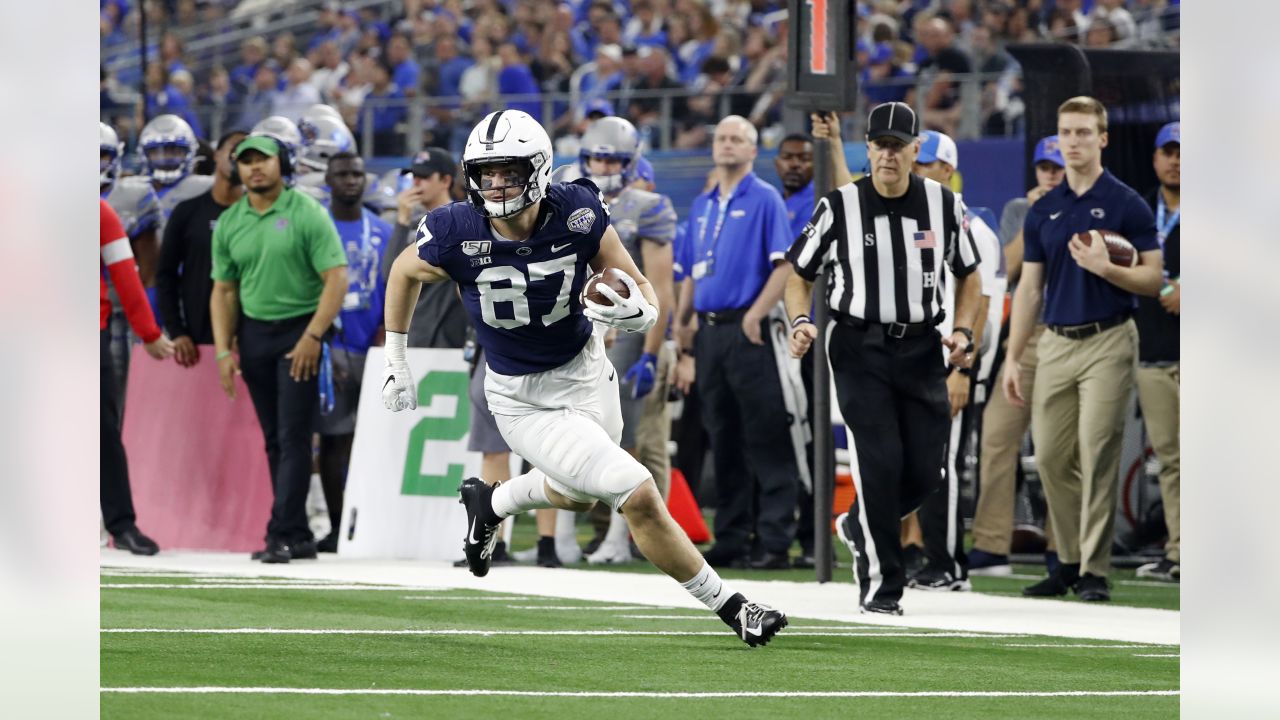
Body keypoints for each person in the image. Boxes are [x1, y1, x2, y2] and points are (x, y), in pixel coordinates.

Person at [382, 110, 786, 646]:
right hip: (521, 396)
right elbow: (404, 271)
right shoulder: (455, 228)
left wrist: (639, 312)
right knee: (635, 492)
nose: (497, 184)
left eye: (509, 170)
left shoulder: (576, 209)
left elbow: (637, 282)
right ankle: (734, 606)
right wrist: (396, 358)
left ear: (540, 169)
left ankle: (493, 504)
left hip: (587, 370)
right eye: (487, 172)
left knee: (577, 495)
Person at [786, 102, 983, 615]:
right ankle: (881, 587)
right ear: (868, 148)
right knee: (879, 463)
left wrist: (963, 329)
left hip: (921, 346)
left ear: (917, 150)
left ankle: (857, 524)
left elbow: (970, 275)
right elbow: (799, 273)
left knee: (927, 472)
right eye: (881, 145)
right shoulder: (839, 205)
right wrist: (802, 321)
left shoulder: (943, 204)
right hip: (858, 346)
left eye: (899, 145)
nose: (889, 154)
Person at [1004, 96, 1163, 602]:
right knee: (1049, 456)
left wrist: (1109, 268)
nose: (1073, 142)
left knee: (1098, 452)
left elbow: (1154, 277)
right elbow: (1029, 289)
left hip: (1109, 338)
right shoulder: (1044, 209)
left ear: (1103, 139)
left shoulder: (1126, 202)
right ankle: (1066, 560)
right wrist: (1013, 355)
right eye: (1066, 133)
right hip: (1053, 342)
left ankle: (1093, 569)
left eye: (1082, 133)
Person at [378, 148, 522, 567]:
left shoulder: (469, 220)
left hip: (482, 342)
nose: (415, 185)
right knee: (489, 444)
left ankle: (520, 536)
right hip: (461, 346)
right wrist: (402, 224)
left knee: (516, 447)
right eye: (413, 177)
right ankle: (491, 531)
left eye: (424, 176)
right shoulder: (427, 226)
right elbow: (394, 274)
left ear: (446, 179)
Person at [210, 135, 349, 564]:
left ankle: (279, 533)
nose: (255, 168)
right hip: (254, 335)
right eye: (246, 161)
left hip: (299, 331)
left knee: (291, 436)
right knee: (275, 439)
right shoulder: (231, 221)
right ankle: (300, 532)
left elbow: (337, 277)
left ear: (281, 164)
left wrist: (312, 336)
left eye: (263, 160)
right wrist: (221, 351)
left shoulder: (306, 212)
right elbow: (224, 291)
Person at [673, 115, 801, 571]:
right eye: (721, 138)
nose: (727, 145)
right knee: (722, 436)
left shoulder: (764, 198)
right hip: (708, 331)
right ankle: (730, 536)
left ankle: (774, 538)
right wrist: (681, 325)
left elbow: (785, 265)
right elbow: (690, 271)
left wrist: (756, 313)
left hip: (747, 331)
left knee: (764, 434)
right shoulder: (704, 203)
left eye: (737, 139)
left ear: (752, 150)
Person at [575, 116, 678, 565]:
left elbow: (660, 287)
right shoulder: (571, 200)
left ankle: (622, 537)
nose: (602, 165)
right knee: (578, 436)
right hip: (581, 331)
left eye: (612, 158)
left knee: (627, 434)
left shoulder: (648, 207)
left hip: (629, 331)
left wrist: (653, 352)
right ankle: (579, 536)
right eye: (596, 156)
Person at [907, 130, 1005, 591]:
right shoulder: (920, 222)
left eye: (925, 164)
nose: (916, 171)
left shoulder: (971, 227)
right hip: (922, 360)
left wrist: (963, 370)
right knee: (922, 463)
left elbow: (982, 301)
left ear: (948, 169)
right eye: (914, 162)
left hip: (953, 363)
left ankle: (946, 564)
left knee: (942, 463)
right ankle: (932, 557)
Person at [969, 135, 1065, 576]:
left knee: (1057, 448)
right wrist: (1037, 218)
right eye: (1045, 168)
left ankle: (1064, 549)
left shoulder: (1088, 207)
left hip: (1067, 334)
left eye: (1058, 168)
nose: (1051, 175)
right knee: (995, 436)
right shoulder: (1018, 211)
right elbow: (1005, 270)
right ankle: (991, 543)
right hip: (1023, 338)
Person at [315, 151, 393, 553]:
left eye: (357, 174)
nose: (350, 180)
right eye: (342, 174)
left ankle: (369, 527)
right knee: (333, 441)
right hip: (331, 348)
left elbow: (395, 287)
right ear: (328, 179)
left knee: (375, 443)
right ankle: (334, 524)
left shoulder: (381, 230)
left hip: (376, 349)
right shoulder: (316, 226)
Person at [100, 199, 175, 554]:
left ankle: (122, 524)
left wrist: (148, 332)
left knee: (102, 433)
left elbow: (125, 273)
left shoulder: (99, 212)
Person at [773, 131, 824, 569]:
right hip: (777, 329)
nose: (794, 164)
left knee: (811, 431)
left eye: (803, 158)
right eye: (788, 157)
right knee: (781, 433)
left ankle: (813, 535)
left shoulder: (819, 202)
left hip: (811, 326)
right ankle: (781, 532)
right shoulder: (776, 202)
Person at [156, 130, 247, 367]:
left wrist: (255, 335)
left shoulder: (262, 217)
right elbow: (165, 275)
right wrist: (177, 331)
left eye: (250, 155)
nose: (241, 158)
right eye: (235, 150)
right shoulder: (187, 213)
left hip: (248, 344)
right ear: (217, 155)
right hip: (196, 344)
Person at [1134, 121, 1180, 582]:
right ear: (1155, 157)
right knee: (1169, 459)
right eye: (1168, 151)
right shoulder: (1140, 209)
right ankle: (1179, 551)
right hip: (1151, 350)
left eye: (1184, 152)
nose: (1176, 159)